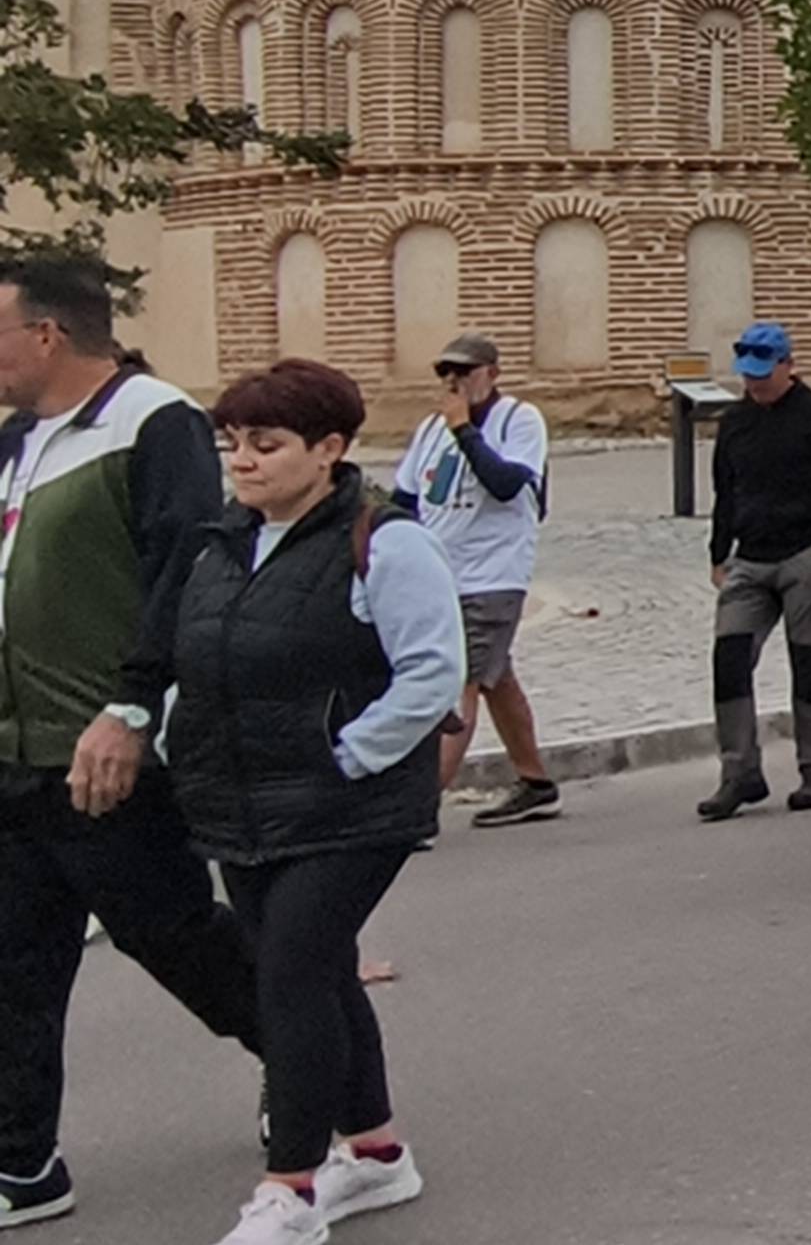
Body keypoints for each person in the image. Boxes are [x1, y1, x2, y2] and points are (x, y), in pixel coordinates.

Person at [160, 358, 461, 1245]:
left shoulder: (385, 541)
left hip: (351, 806)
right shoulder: (224, 544)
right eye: (234, 445)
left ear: (329, 449)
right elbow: (200, 660)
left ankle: (289, 1189)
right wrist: (180, 734)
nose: (243, 462)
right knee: (318, 972)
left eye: (267, 444)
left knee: (286, 973)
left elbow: (432, 671)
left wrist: (348, 755)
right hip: (242, 801)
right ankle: (374, 1153)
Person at [0, 257, 260, 1231]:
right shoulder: (20, 443)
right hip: (16, 752)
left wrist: (133, 710)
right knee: (14, 961)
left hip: (104, 751)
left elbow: (187, 571)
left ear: (47, 336)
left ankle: (314, 1064)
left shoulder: (155, 423)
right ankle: (23, 1163)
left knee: (175, 938)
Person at [390, 334, 559, 826]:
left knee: (458, 679)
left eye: (465, 372)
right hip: (440, 572)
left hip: (492, 573)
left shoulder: (518, 420)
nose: (454, 382)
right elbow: (405, 498)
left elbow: (507, 484)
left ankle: (420, 807)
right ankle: (535, 781)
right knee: (495, 677)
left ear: (491, 372)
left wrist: (466, 431)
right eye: (446, 373)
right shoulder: (430, 429)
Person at [700, 323, 811, 821]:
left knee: (808, 658)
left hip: (805, 554)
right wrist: (718, 551)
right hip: (749, 556)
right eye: (748, 378)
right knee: (729, 658)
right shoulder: (735, 423)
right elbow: (725, 490)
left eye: (764, 375)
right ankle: (740, 771)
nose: (755, 386)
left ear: (788, 365)